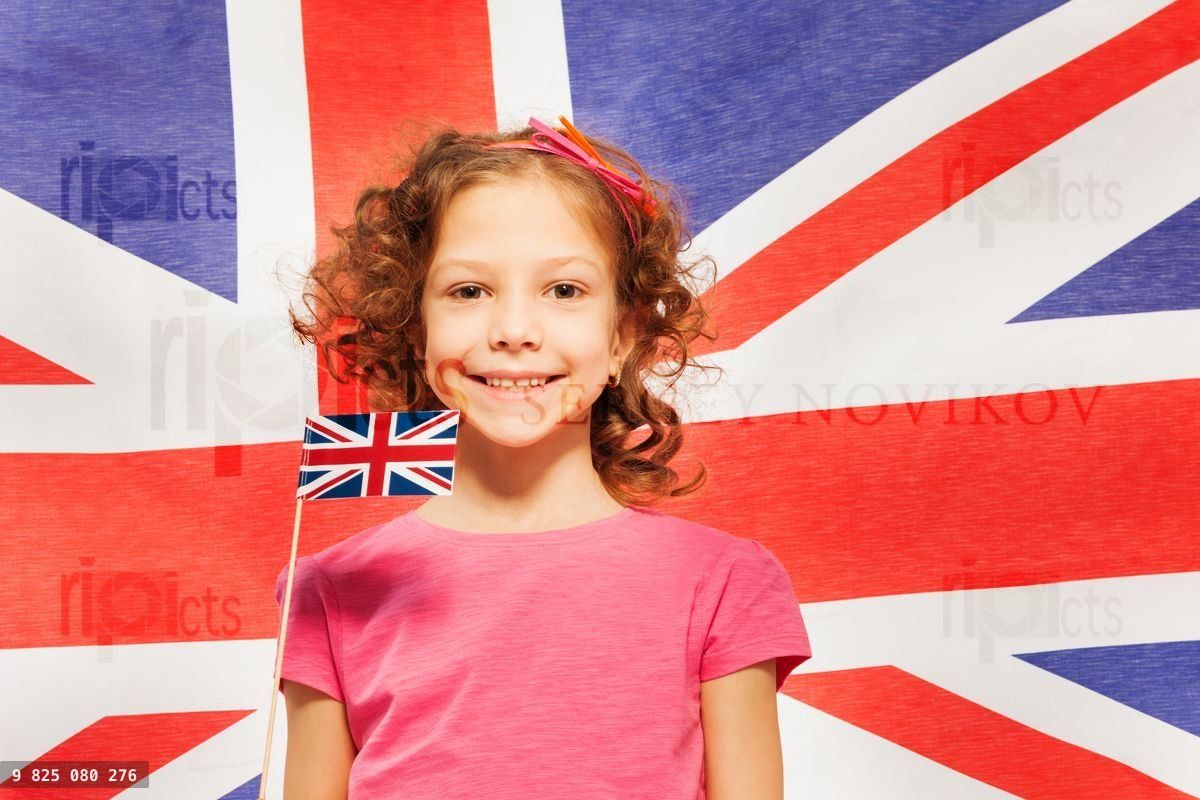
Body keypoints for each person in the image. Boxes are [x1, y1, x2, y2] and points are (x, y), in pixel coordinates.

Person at [274, 116, 812, 799]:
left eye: (564, 290)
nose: (514, 331)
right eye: (469, 291)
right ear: (416, 329)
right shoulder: (332, 589)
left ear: (622, 337)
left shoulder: (722, 583)